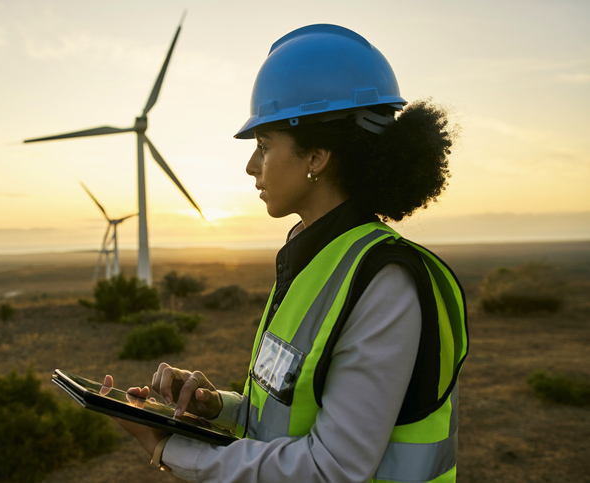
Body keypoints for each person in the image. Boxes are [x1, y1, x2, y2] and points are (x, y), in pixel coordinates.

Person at [104, 24, 469, 483]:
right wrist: (223, 407)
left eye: (264, 145)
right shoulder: (314, 257)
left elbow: (330, 467)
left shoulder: (382, 282)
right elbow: (295, 412)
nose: (250, 165)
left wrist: (171, 449)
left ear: (316, 156)